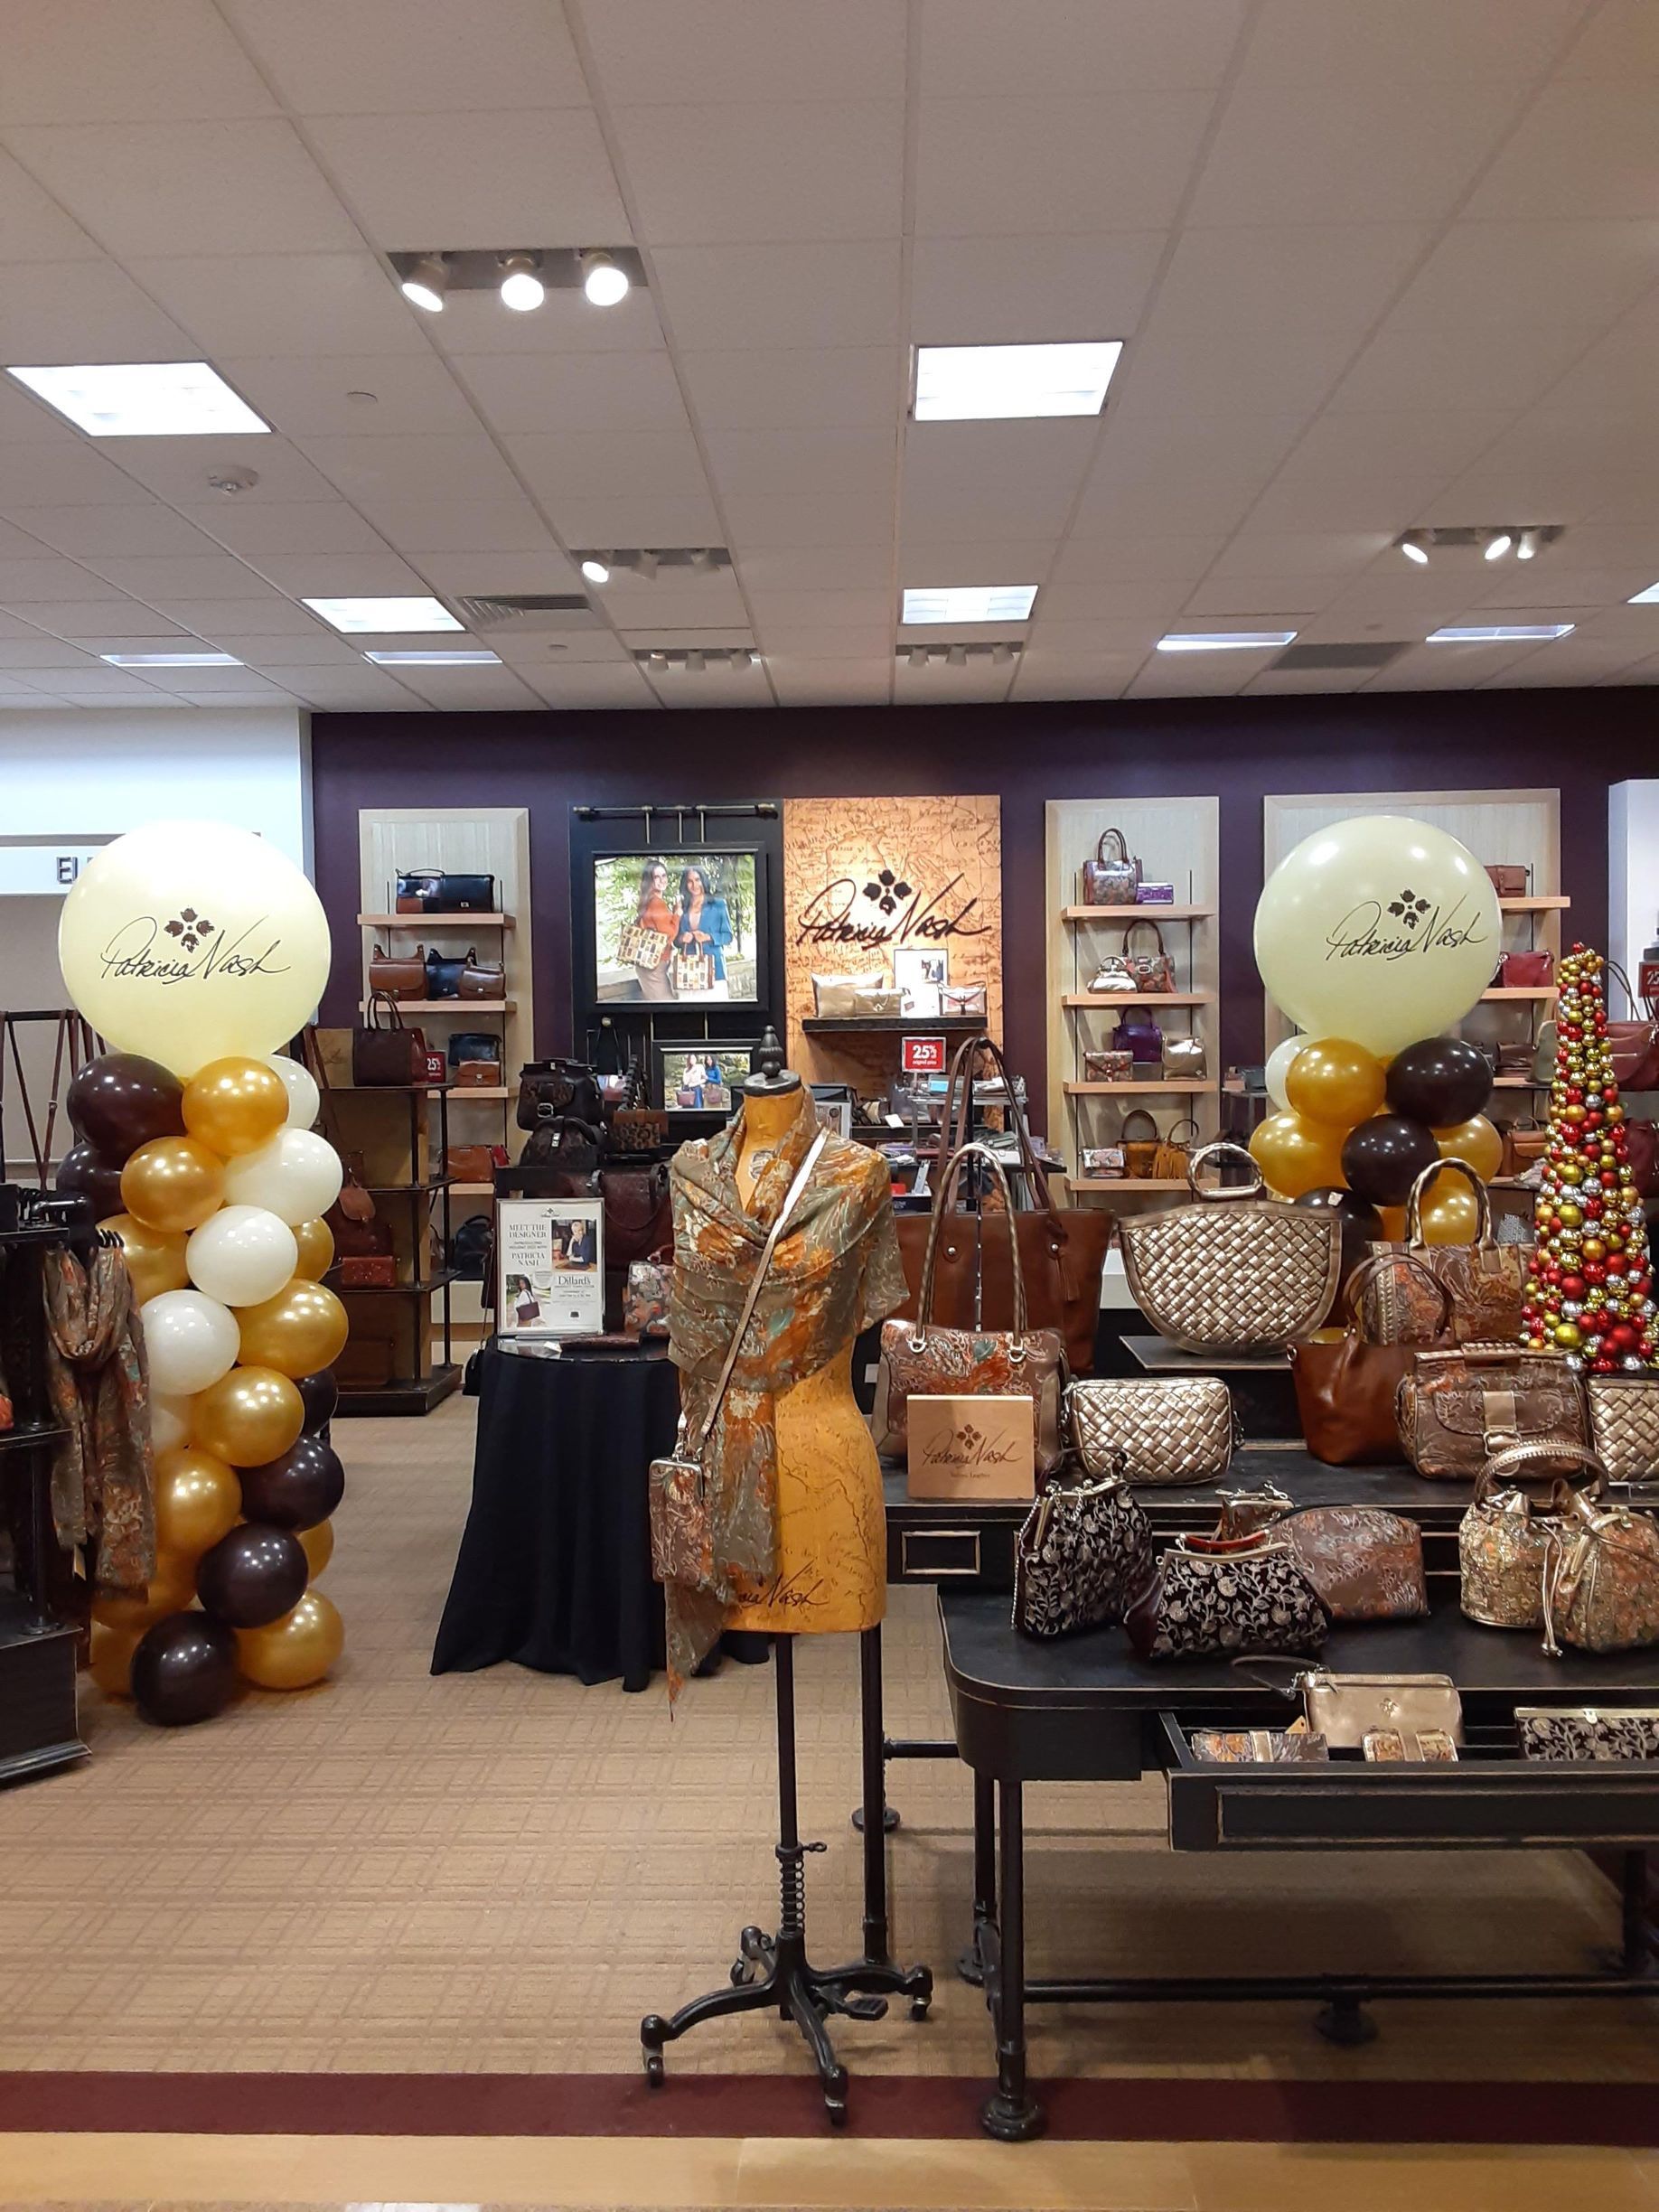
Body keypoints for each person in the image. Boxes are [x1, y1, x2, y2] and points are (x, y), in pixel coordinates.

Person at [674, 864, 734, 998]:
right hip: (687, 971)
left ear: (703, 880)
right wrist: (681, 938)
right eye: (690, 881)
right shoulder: (681, 908)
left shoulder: (718, 904)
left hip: (714, 969)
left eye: (697, 879)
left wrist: (707, 937)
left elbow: (728, 936)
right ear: (685, 884)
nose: (694, 884)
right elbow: (675, 940)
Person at [631, 858, 676, 1003]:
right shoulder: (657, 903)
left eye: (664, 876)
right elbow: (669, 935)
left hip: (647, 963)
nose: (662, 880)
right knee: (666, 1007)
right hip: (655, 965)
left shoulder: (647, 901)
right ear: (650, 881)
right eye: (657, 877)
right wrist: (678, 915)